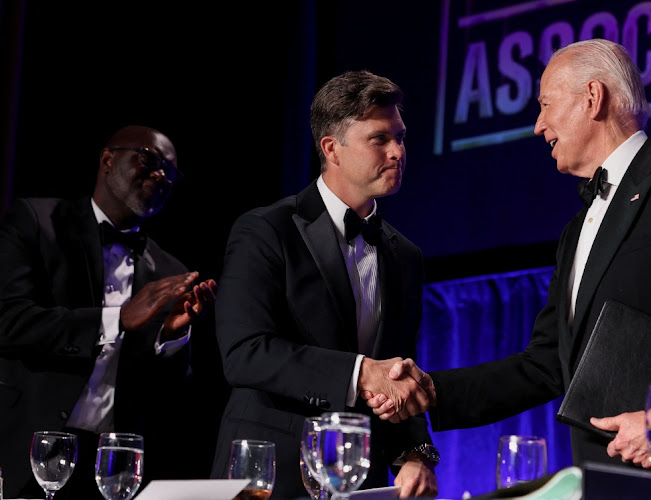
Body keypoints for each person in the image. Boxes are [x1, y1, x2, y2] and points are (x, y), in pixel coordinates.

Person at [365, 38, 651, 480]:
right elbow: (546, 365)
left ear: (593, 97)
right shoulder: (575, 230)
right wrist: (431, 391)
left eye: (546, 104)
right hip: (602, 473)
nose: (538, 125)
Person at [209, 70, 439, 499]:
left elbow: (397, 374)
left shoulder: (405, 256)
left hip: (358, 480)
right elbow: (245, 354)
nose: (398, 152)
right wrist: (360, 372)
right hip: (267, 476)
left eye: (400, 137)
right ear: (332, 148)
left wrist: (415, 453)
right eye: (379, 139)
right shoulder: (265, 229)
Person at [0, 125, 218, 499]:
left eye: (171, 171)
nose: (161, 174)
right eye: (148, 159)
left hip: (110, 467)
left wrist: (171, 337)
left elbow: (172, 400)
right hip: (25, 445)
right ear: (107, 160)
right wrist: (117, 319)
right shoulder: (38, 221)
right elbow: (9, 322)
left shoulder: (168, 270)